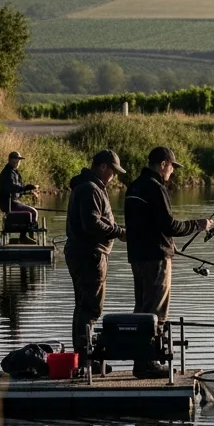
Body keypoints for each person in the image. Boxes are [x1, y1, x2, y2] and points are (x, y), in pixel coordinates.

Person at [124, 146, 212, 378]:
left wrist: (168, 243)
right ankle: (148, 363)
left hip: (137, 257)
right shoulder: (155, 187)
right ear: (163, 164)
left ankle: (141, 360)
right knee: (156, 310)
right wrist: (198, 225)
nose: (172, 171)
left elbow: (143, 225)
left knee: (142, 308)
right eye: (172, 167)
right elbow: (169, 225)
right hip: (155, 258)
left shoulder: (134, 186)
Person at [64, 149, 127, 361]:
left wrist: (115, 229)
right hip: (90, 256)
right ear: (103, 167)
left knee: (83, 307)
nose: (114, 176)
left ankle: (82, 357)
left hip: (83, 254)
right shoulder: (90, 189)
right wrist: (119, 232)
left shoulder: (88, 186)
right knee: (90, 308)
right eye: (113, 171)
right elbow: (91, 224)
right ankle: (85, 359)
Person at [0, 150, 39, 240]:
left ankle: (25, 236)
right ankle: (27, 236)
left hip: (13, 202)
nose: (18, 162)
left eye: (19, 160)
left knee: (28, 213)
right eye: (16, 159)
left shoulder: (13, 172)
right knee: (33, 212)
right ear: (10, 160)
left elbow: (17, 190)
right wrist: (27, 187)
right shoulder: (8, 173)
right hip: (8, 203)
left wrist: (29, 192)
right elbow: (13, 188)